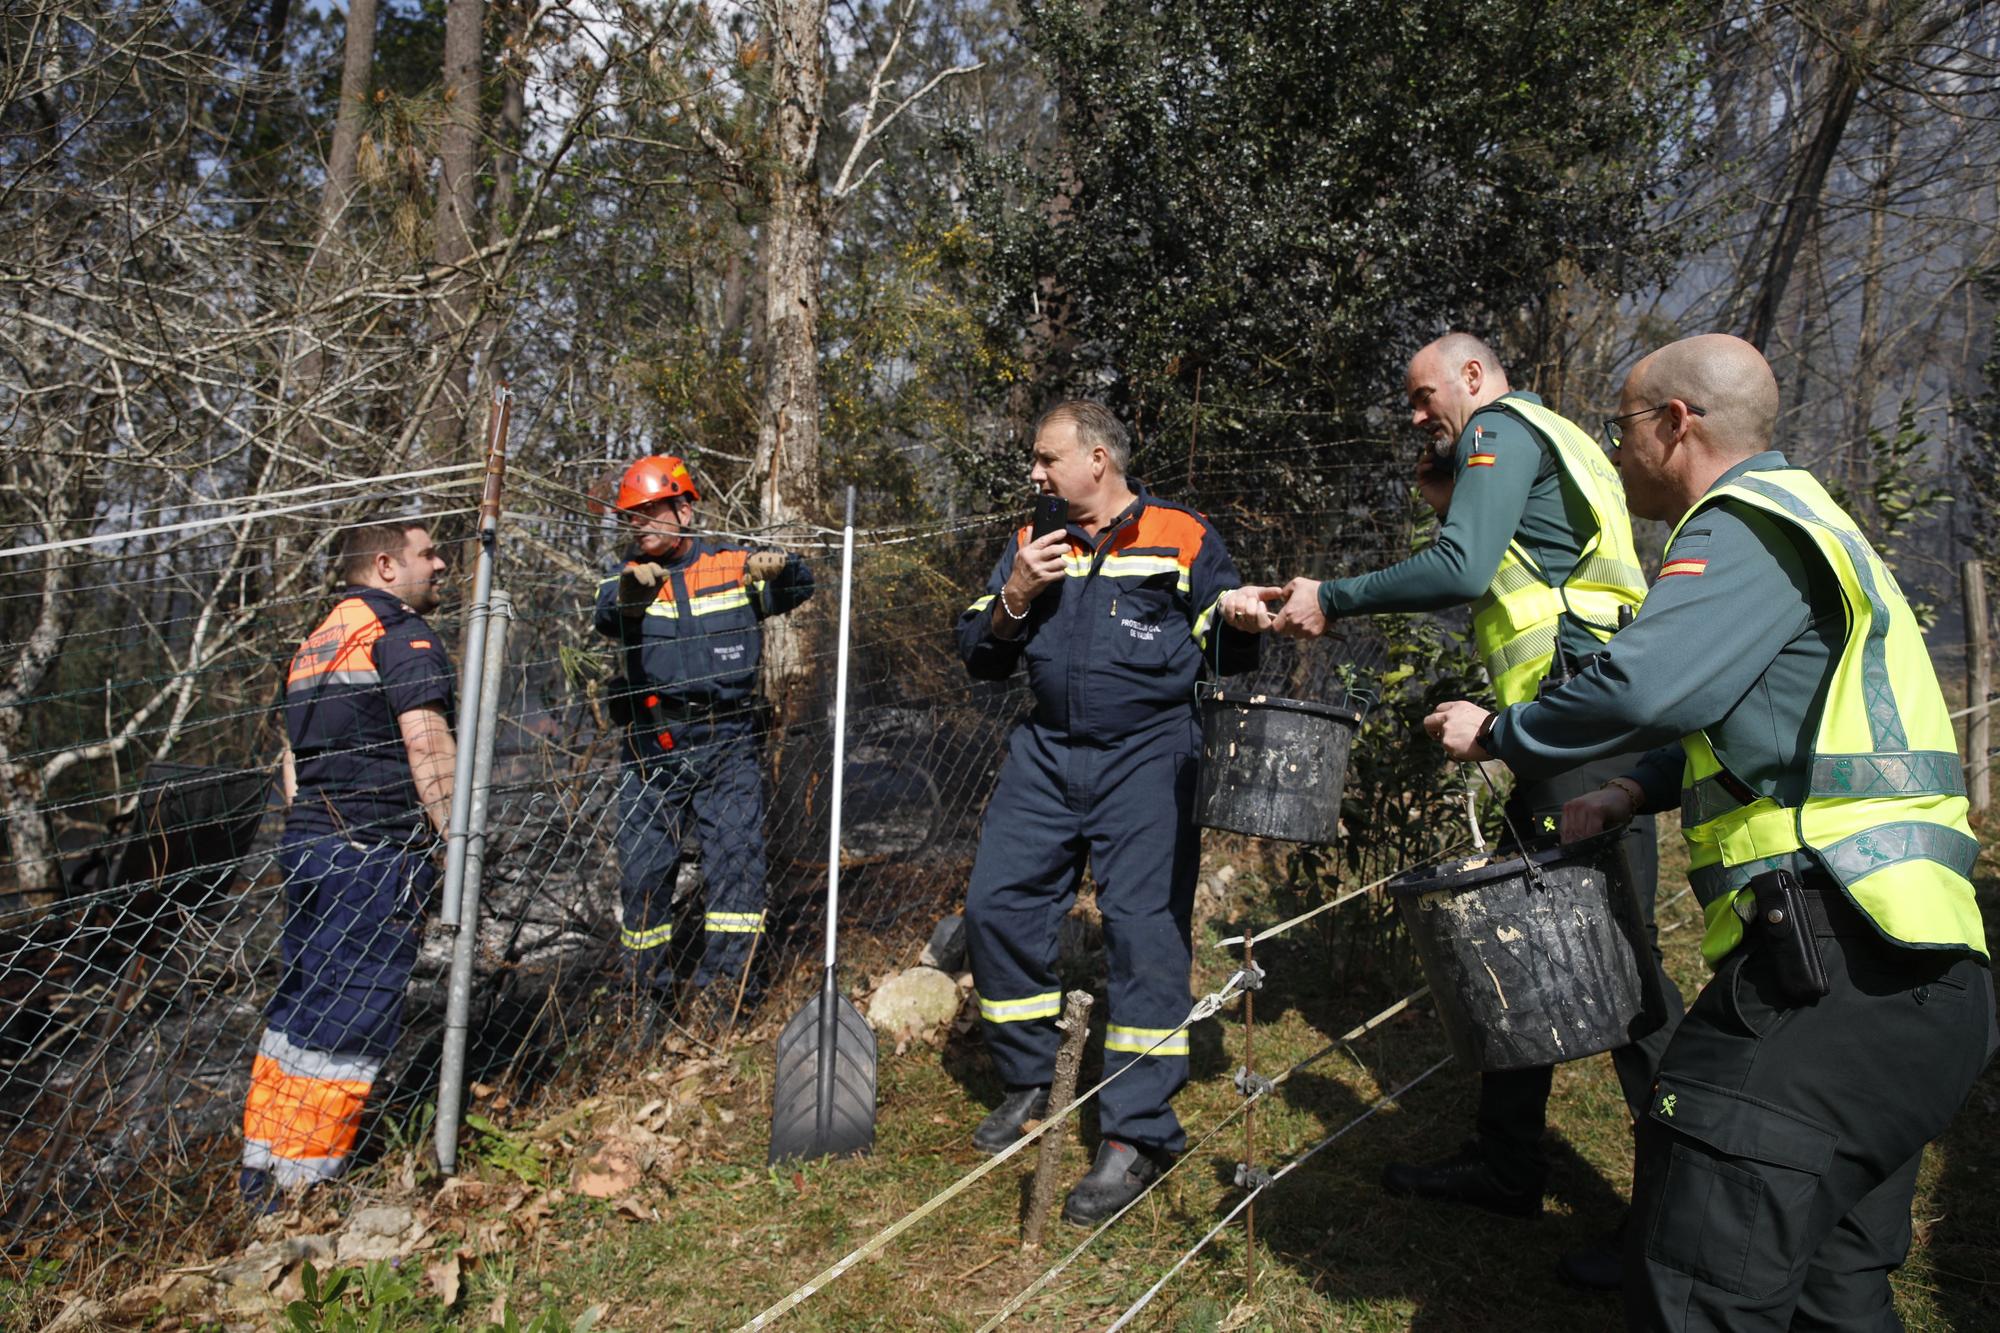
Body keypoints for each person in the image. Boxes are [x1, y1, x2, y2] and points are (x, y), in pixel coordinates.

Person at [1427, 332, 1993, 1328]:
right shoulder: (1817, 522)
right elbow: (1774, 724)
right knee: (1834, 1291)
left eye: (1619, 429)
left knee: (1698, 1276)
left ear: (1672, 424)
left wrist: (1499, 730)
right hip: (1920, 981)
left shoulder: (1738, 524)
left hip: (1823, 966)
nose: (1612, 450)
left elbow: (1642, 681)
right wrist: (1636, 792)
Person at [1227, 333, 1683, 1240]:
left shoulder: (1500, 432)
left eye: (1423, 393)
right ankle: (1509, 1161)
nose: (1416, 412)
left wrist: (1334, 594)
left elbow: (1463, 566)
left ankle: (1681, 1212)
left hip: (1586, 742)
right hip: (1566, 734)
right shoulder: (1559, 438)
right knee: (1517, 934)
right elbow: (1542, 592)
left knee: (1626, 976)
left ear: (1473, 378)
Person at [956, 400, 1258, 1225]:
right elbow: (981, 653)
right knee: (998, 906)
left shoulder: (1182, 536)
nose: (1036, 474)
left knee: (1145, 931)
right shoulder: (1032, 541)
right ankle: (1030, 1078)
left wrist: (1235, 616)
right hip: (1046, 753)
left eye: (1047, 458)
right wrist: (1015, 594)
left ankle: (1136, 1133)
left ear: (1097, 459)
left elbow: (1230, 637)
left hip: (1150, 755)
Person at [242, 518, 455, 1210]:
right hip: (373, 850)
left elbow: (293, 766)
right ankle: (304, 1187)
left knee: (300, 1010)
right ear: (386, 565)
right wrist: (460, 843)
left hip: (308, 842)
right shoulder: (400, 635)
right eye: (429, 554)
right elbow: (428, 748)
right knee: (350, 1016)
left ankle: (262, 1173)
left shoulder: (315, 642)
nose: (443, 565)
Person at [594, 454, 813, 1031]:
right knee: (643, 877)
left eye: (650, 512)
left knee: (737, 870)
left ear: (684, 510)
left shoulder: (731, 568)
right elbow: (607, 616)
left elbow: (800, 586)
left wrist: (783, 567)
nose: (639, 525)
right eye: (632, 517)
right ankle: (645, 1002)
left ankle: (726, 998)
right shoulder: (625, 578)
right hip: (651, 749)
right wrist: (631, 595)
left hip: (728, 743)